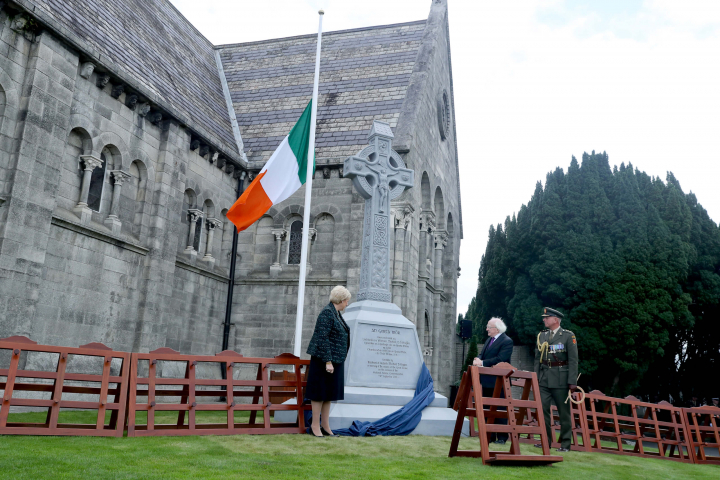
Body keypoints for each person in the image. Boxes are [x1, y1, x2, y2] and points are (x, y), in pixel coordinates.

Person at [305, 285, 351, 437]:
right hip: (324, 361)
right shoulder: (327, 313)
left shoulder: (336, 313)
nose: (347, 304)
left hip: (334, 361)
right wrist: (328, 361)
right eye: (347, 301)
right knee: (319, 393)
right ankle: (315, 426)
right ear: (342, 300)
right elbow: (322, 338)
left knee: (328, 394)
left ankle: (325, 426)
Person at [533, 307, 578, 452]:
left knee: (563, 413)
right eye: (544, 317)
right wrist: (536, 377)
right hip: (544, 379)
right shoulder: (542, 336)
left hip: (561, 379)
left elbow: (573, 360)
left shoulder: (568, 336)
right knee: (543, 410)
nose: (544, 319)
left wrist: (572, 382)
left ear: (556, 320)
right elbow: (537, 359)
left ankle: (565, 444)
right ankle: (546, 441)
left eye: (547, 317)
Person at [472, 317, 513, 444]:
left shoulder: (507, 341)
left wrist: (483, 362)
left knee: (500, 409)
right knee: (486, 409)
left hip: (499, 382)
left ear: (496, 328)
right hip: (486, 380)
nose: (486, 329)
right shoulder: (489, 340)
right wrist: (478, 360)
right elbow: (482, 354)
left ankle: (501, 438)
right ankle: (489, 436)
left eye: (489, 327)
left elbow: (501, 359)